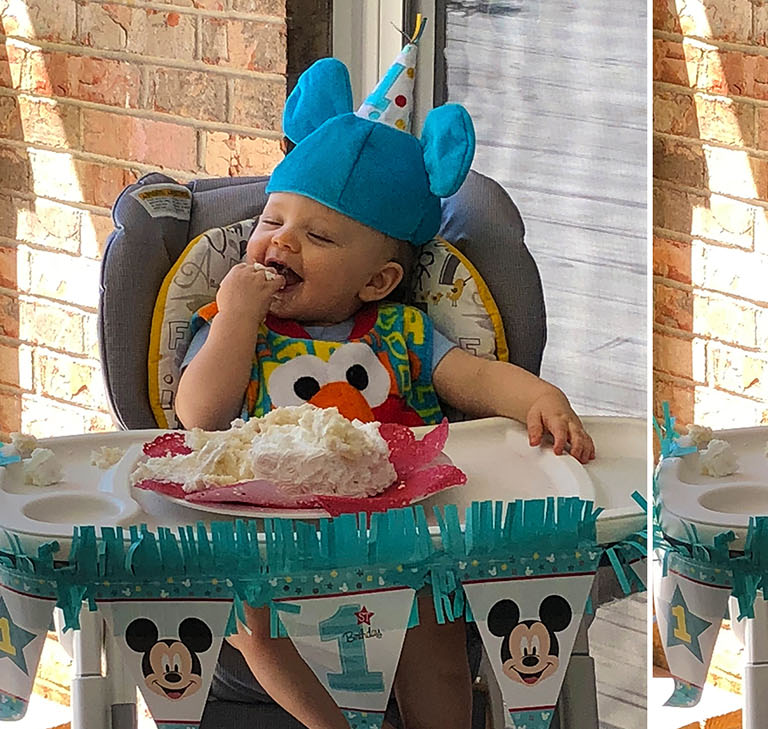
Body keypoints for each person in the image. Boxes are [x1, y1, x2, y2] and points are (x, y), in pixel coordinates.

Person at [173, 21, 592, 729]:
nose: (281, 241)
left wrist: (542, 397)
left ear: (379, 280)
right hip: (269, 537)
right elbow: (198, 415)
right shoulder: (239, 326)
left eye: (319, 236)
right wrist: (237, 316)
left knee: (432, 628)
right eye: (274, 219)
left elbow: (479, 380)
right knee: (249, 619)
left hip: (399, 539)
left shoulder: (402, 334)